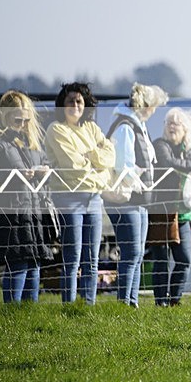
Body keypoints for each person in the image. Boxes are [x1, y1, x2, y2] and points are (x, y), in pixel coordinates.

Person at [45, 83, 115, 304]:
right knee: (72, 257)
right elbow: (73, 166)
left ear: (85, 106)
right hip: (69, 198)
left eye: (79, 101)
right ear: (62, 105)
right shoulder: (56, 129)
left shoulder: (92, 128)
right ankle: (69, 304)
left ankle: (88, 305)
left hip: (94, 198)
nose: (75, 105)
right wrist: (97, 167)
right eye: (70, 101)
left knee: (92, 258)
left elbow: (110, 157)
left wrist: (90, 155)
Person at [105, 83, 169, 307]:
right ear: (147, 106)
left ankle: (131, 301)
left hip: (139, 199)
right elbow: (123, 165)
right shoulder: (125, 126)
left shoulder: (136, 124)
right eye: (154, 107)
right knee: (131, 252)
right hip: (126, 198)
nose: (154, 112)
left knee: (138, 253)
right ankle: (125, 301)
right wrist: (140, 182)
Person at [148, 108, 191, 306]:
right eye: (168, 122)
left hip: (185, 213)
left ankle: (174, 300)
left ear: (185, 128)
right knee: (161, 260)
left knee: (184, 259)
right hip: (163, 210)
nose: (171, 126)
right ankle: (160, 302)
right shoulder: (160, 145)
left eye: (176, 123)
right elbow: (169, 162)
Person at [0, 91, 53, 302]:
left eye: (26, 120)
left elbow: (46, 165)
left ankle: (30, 314)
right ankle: (13, 312)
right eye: (17, 120)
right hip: (12, 212)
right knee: (18, 263)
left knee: (34, 264)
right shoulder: (2, 144)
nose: (22, 124)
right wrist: (16, 177)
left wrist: (45, 172)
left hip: (34, 210)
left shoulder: (32, 144)